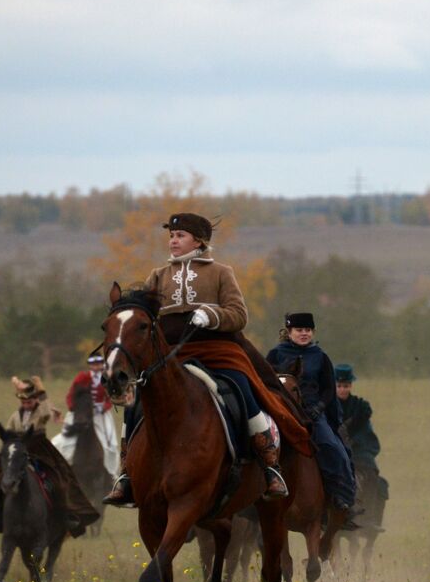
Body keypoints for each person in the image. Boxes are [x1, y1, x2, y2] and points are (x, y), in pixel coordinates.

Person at [104, 213, 305, 506]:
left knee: (243, 390)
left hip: (217, 351)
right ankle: (126, 473)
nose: (173, 241)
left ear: (198, 240)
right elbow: (142, 316)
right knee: (138, 403)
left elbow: (239, 314)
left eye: (180, 236)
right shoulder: (158, 275)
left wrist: (212, 315)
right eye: (171, 236)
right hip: (173, 356)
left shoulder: (222, 273)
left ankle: (270, 465)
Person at [0, 376, 99, 537]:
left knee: (59, 479)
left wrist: (41, 389)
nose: (26, 405)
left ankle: (67, 516)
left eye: (29, 402)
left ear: (35, 400)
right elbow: (8, 435)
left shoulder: (42, 411)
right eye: (23, 402)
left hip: (40, 451)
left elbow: (46, 408)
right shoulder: (15, 416)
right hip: (19, 451)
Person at [266, 312, 359, 515]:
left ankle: (340, 496)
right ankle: (253, 500)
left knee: (332, 447)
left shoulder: (320, 356)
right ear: (289, 332)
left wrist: (319, 408)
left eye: (308, 330)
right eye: (299, 330)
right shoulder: (275, 354)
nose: (304, 334)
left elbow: (328, 389)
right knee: (261, 446)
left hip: (312, 414)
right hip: (281, 413)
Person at [335, 364, 387, 532]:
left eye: (346, 386)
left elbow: (366, 433)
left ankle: (370, 518)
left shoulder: (361, 408)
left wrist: (354, 442)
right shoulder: (327, 407)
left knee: (372, 473)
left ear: (351, 386)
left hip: (358, 453)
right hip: (334, 451)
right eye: (339, 386)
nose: (343, 389)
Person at [52, 353, 120, 476]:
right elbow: (71, 395)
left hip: (100, 415)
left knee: (110, 444)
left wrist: (104, 407)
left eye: (98, 363)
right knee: (66, 440)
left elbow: (110, 398)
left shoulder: (107, 378)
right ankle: (65, 465)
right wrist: (73, 408)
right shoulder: (81, 377)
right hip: (81, 412)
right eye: (93, 364)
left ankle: (111, 473)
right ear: (90, 365)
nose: (96, 366)